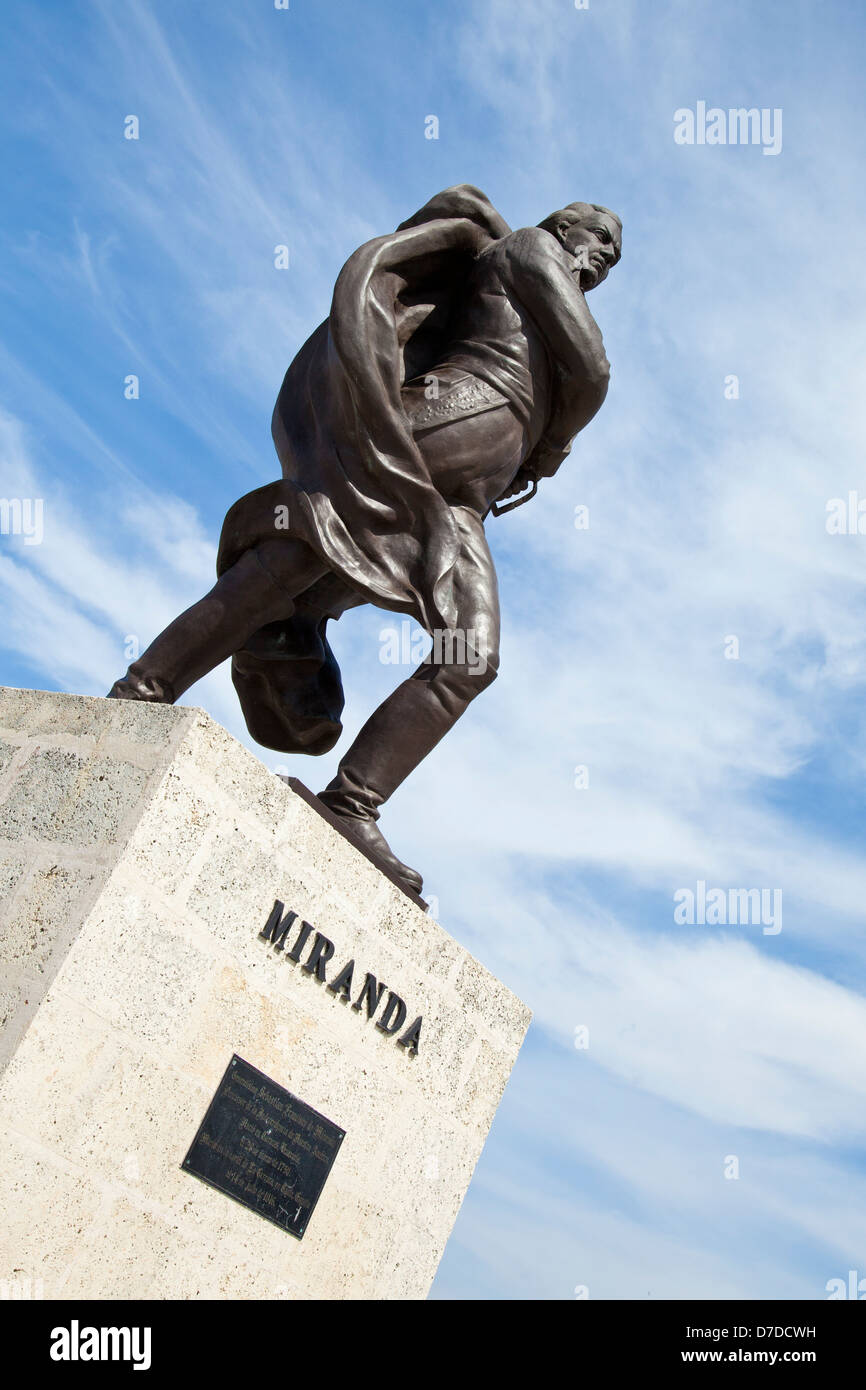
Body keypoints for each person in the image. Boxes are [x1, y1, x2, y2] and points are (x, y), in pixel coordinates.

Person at [108, 185, 622, 894]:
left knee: (468, 655)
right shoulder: (531, 249)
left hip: (466, 498)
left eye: (611, 258)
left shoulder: (546, 275)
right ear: (565, 227)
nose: (600, 259)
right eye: (596, 240)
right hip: (433, 428)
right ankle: (143, 690)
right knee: (308, 546)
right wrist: (554, 445)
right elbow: (592, 368)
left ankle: (351, 804)